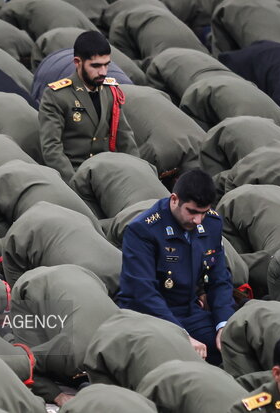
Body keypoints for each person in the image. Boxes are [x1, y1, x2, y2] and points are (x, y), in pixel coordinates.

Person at [116, 169, 235, 365]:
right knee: (176, 357)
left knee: (231, 346)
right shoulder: (143, 230)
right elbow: (142, 293)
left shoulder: (211, 223)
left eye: (203, 213)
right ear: (174, 200)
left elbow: (219, 279)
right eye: (192, 212)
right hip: (148, 316)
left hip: (187, 310)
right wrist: (180, 335)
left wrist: (224, 325)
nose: (198, 220)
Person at [38, 30, 138, 182]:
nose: (103, 72)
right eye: (96, 66)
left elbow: (125, 138)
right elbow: (52, 149)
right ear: (78, 62)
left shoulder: (110, 91)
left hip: (107, 172)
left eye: (106, 65)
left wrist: (137, 172)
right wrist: (75, 183)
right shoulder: (57, 95)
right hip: (76, 175)